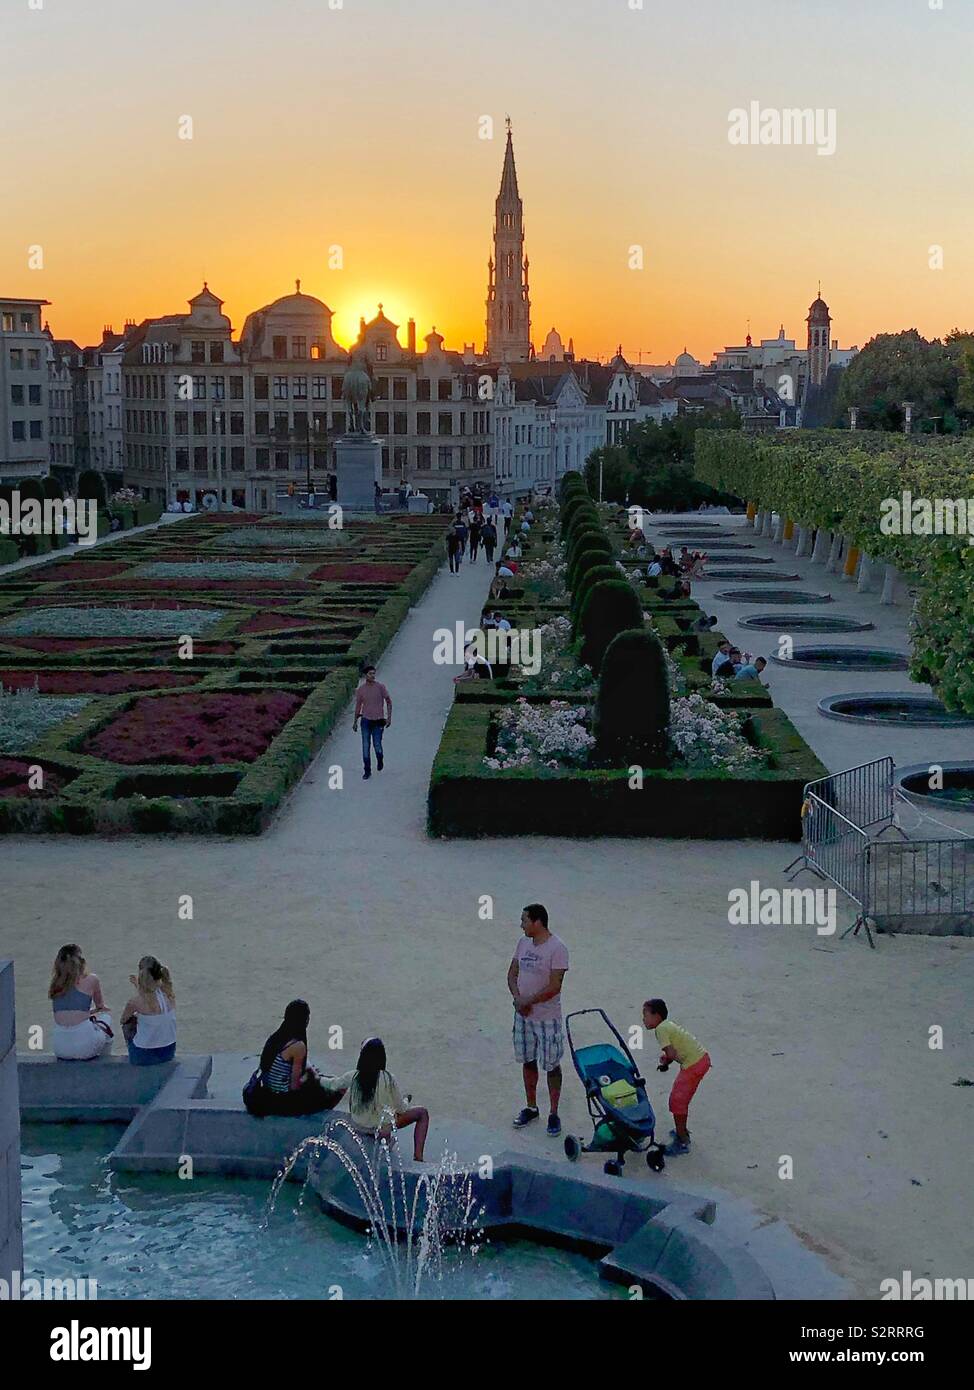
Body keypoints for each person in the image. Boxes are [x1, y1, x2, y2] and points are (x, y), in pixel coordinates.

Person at [508, 904, 569, 1138]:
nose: (521, 924)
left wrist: (527, 1001)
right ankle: (532, 1106)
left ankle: (554, 1112)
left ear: (537, 922)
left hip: (546, 1017)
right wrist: (518, 999)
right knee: (528, 1060)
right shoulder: (523, 943)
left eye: (524, 920)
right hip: (523, 1015)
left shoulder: (558, 948)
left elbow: (555, 986)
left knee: (552, 1065)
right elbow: (512, 973)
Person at [330, 1037, 429, 1162]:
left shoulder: (353, 1076)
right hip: (381, 1129)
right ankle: (418, 1157)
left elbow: (333, 1084)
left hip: (359, 1126)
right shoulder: (388, 1078)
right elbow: (402, 1109)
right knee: (422, 1113)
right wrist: (406, 1100)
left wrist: (314, 1075)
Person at [642, 998, 711, 1155]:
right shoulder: (668, 1025)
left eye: (646, 1015)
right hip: (700, 1059)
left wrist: (666, 1062)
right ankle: (682, 1130)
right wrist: (667, 1058)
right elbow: (673, 1051)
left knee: (677, 1101)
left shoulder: (661, 1030)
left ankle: (682, 1140)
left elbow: (671, 1053)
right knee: (680, 1099)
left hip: (693, 1065)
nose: (643, 1019)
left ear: (656, 1016)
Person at [255, 1000, 346, 1117]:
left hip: (268, 1091)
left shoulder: (277, 1037)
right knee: (337, 1088)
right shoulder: (298, 1046)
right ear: (305, 1020)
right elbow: (294, 1086)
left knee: (315, 1077)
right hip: (281, 1099)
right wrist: (310, 1078)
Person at [48, 944, 113, 1060]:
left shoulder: (55, 984)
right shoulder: (92, 979)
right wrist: (96, 1010)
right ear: (81, 962)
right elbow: (100, 1006)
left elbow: (69, 1012)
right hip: (84, 1047)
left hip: (59, 1048)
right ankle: (105, 1063)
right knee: (106, 1018)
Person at [120, 956, 177, 1066]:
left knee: (129, 1023)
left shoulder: (135, 1002)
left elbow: (123, 1020)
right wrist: (138, 986)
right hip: (168, 1051)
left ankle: (133, 1057)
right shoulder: (169, 994)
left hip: (144, 1054)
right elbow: (152, 995)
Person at [353, 664, 392, 780]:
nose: (373, 676)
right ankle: (367, 770)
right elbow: (358, 706)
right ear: (366, 675)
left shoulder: (380, 687)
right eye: (370, 674)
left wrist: (389, 717)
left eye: (374, 673)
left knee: (377, 745)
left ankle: (380, 758)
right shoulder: (361, 690)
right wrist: (355, 721)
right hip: (365, 720)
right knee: (365, 746)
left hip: (378, 720)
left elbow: (389, 701)